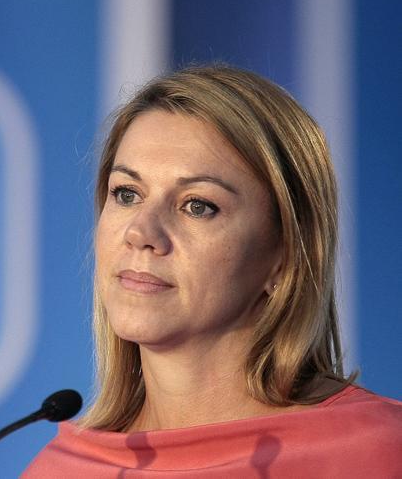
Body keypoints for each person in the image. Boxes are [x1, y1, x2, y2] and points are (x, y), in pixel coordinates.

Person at [23, 64, 402, 477]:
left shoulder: (376, 452)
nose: (141, 232)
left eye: (197, 205)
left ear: (286, 254)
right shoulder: (59, 470)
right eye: (127, 194)